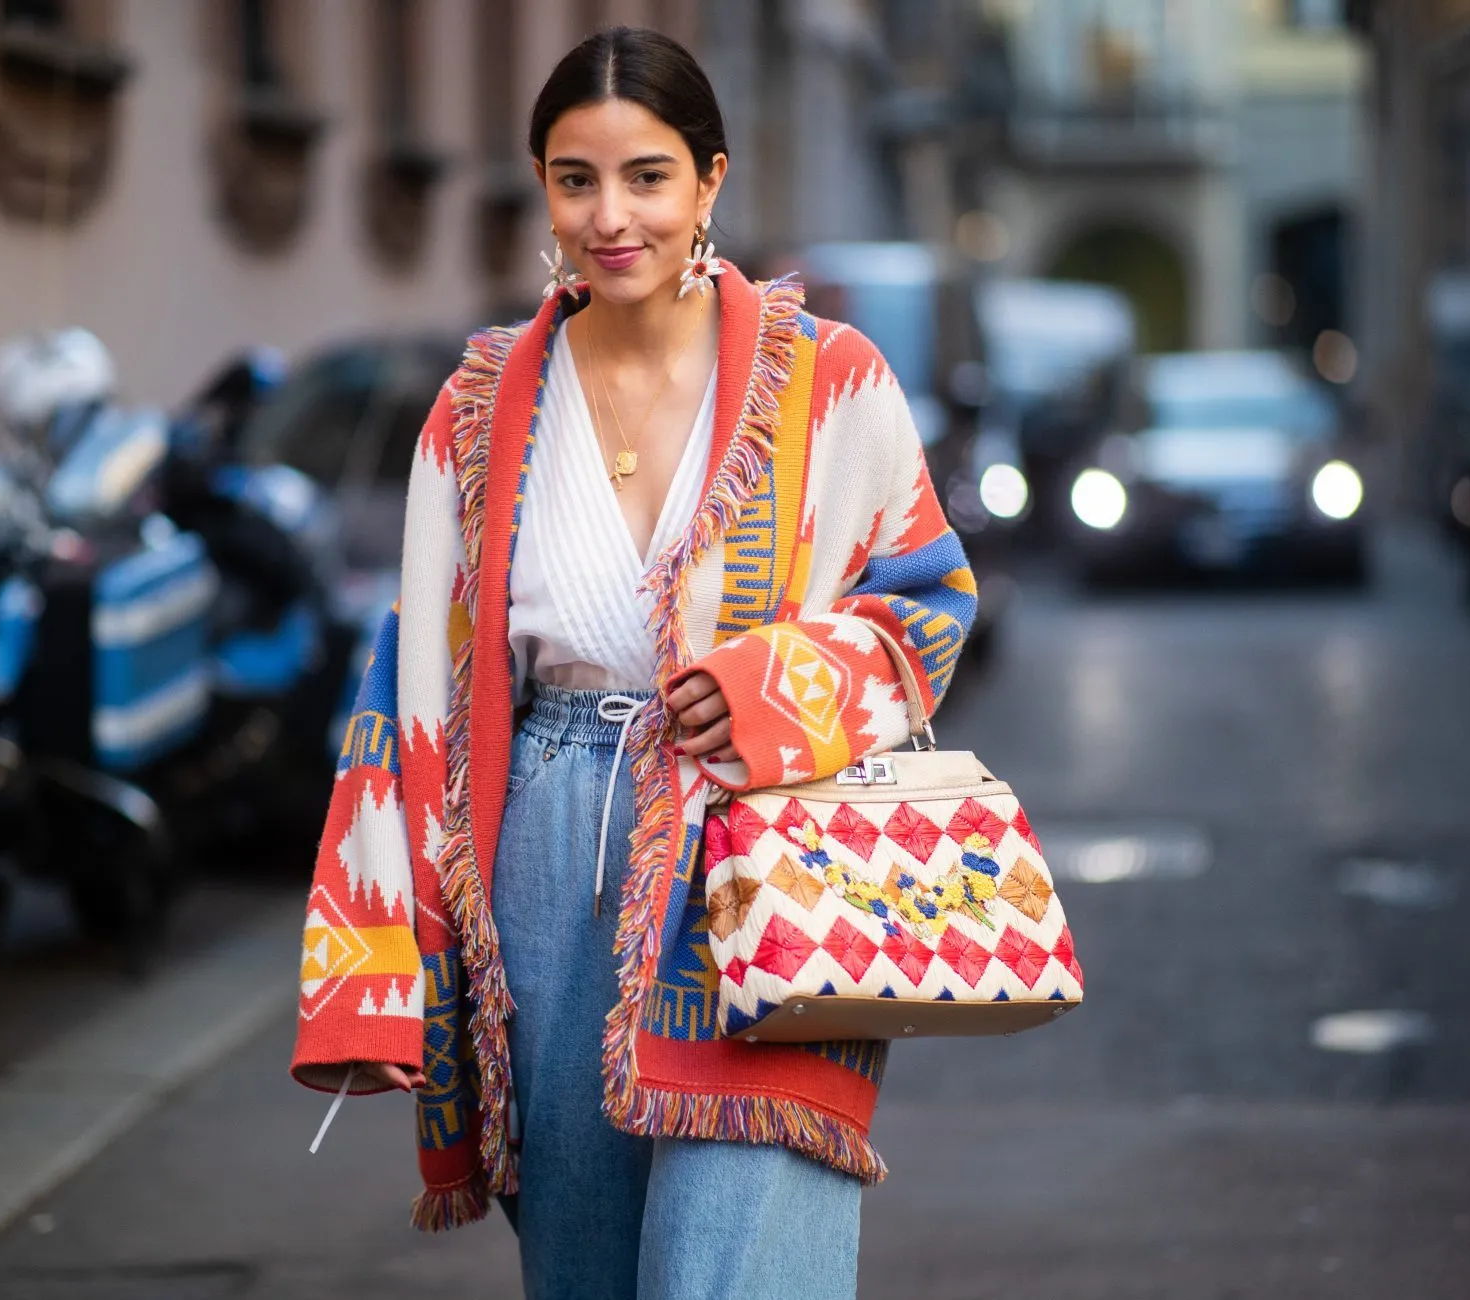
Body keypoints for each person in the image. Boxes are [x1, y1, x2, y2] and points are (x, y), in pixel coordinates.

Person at [291, 26, 976, 1299]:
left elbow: (926, 601)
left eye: (647, 176)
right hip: (540, 849)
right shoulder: (477, 407)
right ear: (543, 189)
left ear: (709, 182)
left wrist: (777, 692)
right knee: (583, 1265)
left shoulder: (828, 379)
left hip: (765, 843)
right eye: (574, 178)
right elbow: (410, 689)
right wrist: (381, 960)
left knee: (739, 1263)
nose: (611, 216)